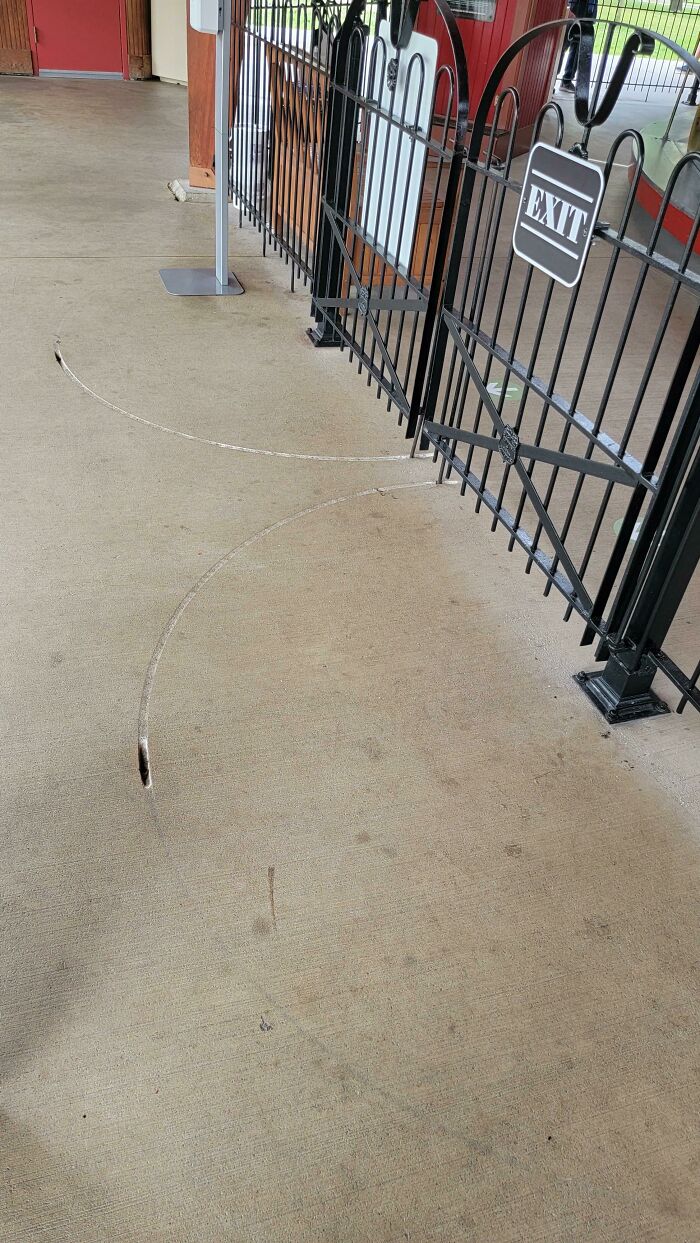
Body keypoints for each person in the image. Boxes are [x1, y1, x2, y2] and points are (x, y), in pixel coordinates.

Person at [559, 0, 598, 93]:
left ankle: (567, 81)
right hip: (575, 11)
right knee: (562, 47)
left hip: (587, 14)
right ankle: (557, 79)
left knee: (577, 49)